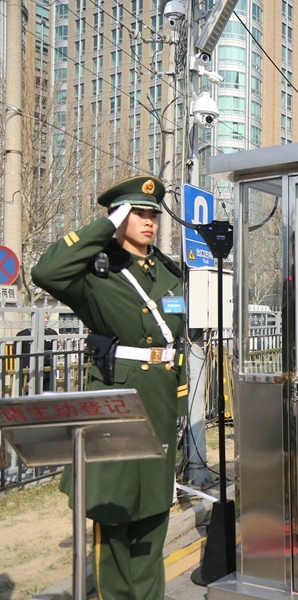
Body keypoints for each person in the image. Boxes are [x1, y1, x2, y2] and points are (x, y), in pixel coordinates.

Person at [32, 175, 187, 600]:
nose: (149, 221)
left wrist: (180, 400)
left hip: (157, 404)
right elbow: (45, 271)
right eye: (138, 213)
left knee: (153, 516)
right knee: (114, 517)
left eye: (153, 214)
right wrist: (105, 228)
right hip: (116, 404)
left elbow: (176, 342)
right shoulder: (96, 272)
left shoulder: (168, 274)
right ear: (118, 216)